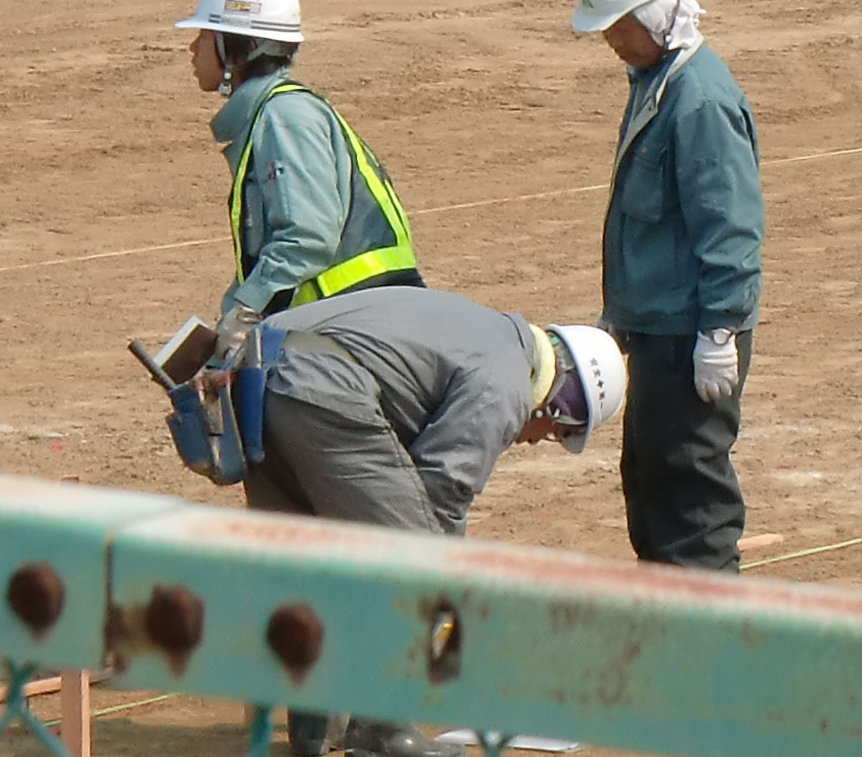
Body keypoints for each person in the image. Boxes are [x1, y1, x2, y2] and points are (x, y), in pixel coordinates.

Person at [239, 289, 624, 757]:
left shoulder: (489, 336)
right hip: (323, 389)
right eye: (558, 432)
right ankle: (381, 729)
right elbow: (442, 491)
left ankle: (314, 724)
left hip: (254, 378)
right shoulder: (506, 381)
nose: (537, 441)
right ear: (559, 404)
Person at [569, 0, 762, 573]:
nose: (610, 40)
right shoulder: (656, 84)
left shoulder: (699, 102)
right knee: (651, 488)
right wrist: (620, 316)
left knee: (690, 507)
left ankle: (708, 630)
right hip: (657, 334)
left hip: (689, 339)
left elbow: (729, 227)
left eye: (617, 26)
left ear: (653, 14)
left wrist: (720, 331)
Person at [177, 0, 422, 373]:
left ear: (236, 48)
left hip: (361, 331)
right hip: (356, 321)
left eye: (204, 34)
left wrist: (246, 310)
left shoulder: (285, 117)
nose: (191, 47)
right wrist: (234, 310)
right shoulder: (273, 114)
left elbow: (307, 238)